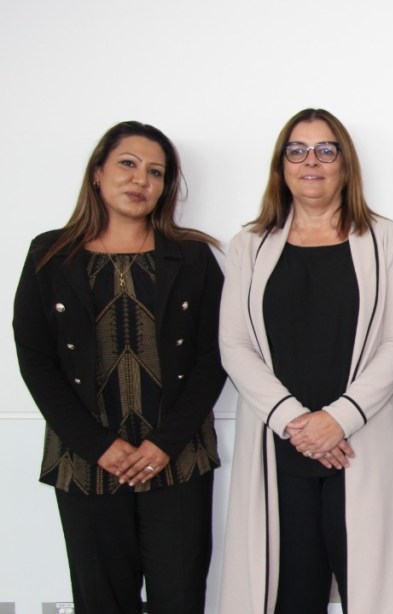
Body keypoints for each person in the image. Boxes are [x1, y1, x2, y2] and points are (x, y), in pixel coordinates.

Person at [13, 121, 225, 614]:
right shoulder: (50, 254)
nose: (140, 180)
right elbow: (36, 360)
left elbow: (214, 357)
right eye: (128, 164)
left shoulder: (192, 257)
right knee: (100, 602)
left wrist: (163, 444)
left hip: (177, 459)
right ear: (97, 173)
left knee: (180, 598)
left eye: (156, 171)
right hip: (86, 462)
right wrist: (98, 446)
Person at [217, 108, 393, 614]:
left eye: (327, 150)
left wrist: (337, 420)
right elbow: (234, 345)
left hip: (359, 443)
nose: (312, 161)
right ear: (281, 165)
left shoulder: (386, 240)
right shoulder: (249, 246)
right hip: (279, 444)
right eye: (298, 150)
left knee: (371, 592)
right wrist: (297, 423)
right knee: (286, 595)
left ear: (345, 165)